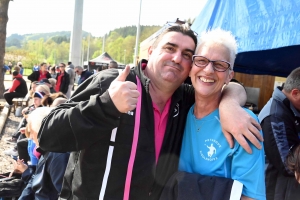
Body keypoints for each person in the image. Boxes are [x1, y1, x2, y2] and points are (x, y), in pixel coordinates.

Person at [38, 24, 263, 199]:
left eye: (187, 54)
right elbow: (48, 136)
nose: (177, 58)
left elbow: (221, 83)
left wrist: (231, 104)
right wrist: (105, 106)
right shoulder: (113, 82)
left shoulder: (184, 100)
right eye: (170, 48)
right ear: (151, 50)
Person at [177, 29, 265, 200]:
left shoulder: (243, 123)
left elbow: (250, 196)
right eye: (201, 61)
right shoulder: (180, 109)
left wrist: (230, 104)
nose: (209, 70)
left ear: (229, 76)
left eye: (220, 65)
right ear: (190, 68)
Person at [258, 67, 300, 200]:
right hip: (276, 191)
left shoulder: (289, 108)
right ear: (295, 93)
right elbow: (288, 165)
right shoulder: (275, 116)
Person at [15, 107, 70, 200]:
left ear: (41, 131)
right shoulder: (47, 149)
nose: (31, 137)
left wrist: (27, 172)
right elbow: (36, 180)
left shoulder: (58, 156)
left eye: (32, 132)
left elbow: (63, 195)